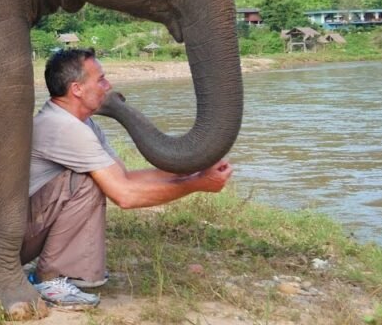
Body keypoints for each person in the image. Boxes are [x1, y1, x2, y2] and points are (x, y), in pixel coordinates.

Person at [23, 48, 233, 310]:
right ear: (76, 89)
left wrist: (193, 169)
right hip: (16, 238)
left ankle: (58, 273)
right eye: (100, 79)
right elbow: (125, 195)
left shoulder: (82, 123)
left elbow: (125, 177)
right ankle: (50, 279)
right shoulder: (63, 127)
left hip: (29, 230)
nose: (108, 85)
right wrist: (196, 185)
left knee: (94, 178)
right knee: (88, 181)